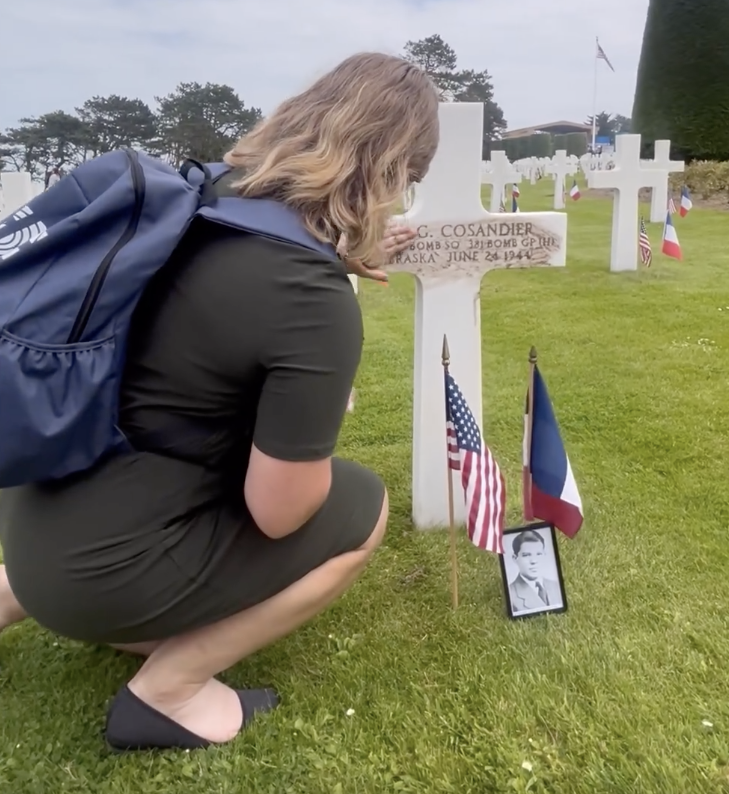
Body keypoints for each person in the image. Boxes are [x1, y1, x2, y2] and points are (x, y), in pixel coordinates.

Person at [0, 52, 439, 752]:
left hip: (31, 510)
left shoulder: (186, 203)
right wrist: (314, 408)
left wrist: (338, 257)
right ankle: (169, 691)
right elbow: (279, 513)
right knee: (362, 507)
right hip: (98, 573)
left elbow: (213, 311)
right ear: (391, 173)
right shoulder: (307, 299)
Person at [508, 531, 562, 613]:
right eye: (526, 555)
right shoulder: (511, 595)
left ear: (544, 555)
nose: (534, 561)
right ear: (515, 558)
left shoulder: (556, 586)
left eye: (538, 554)